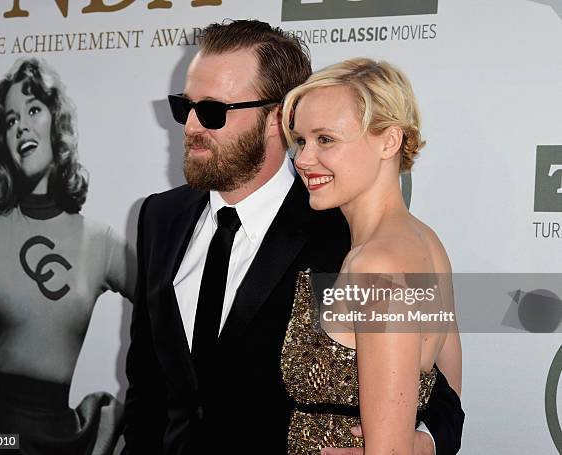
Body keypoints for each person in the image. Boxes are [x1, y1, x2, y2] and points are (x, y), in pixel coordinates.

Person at [124, 20, 464, 455]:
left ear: (275, 118)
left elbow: (439, 393)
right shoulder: (159, 217)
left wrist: (419, 445)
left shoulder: (350, 235)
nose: (189, 126)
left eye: (211, 111)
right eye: (182, 107)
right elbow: (147, 388)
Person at [0, 58, 135, 455]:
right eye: (11, 119)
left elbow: (171, 311)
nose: (22, 127)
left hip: (65, 438)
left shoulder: (99, 242)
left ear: (57, 123)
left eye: (34, 110)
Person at [279, 58, 463, 454]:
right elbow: (446, 388)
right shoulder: (427, 242)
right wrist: (426, 445)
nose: (302, 159)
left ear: (389, 141)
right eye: (300, 140)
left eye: (325, 139)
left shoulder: (374, 265)